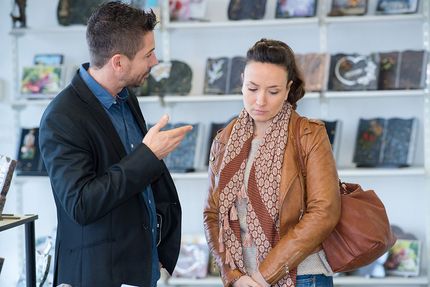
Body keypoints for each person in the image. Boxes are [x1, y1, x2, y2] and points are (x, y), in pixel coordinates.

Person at [38, 2, 192, 287]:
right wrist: (148, 155)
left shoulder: (125, 97)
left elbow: (139, 187)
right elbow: (82, 204)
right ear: (118, 62)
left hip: (140, 270)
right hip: (97, 276)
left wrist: (155, 248)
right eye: (149, 54)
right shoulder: (61, 117)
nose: (155, 61)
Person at [203, 39, 341, 287]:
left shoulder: (308, 134)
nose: (260, 101)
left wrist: (263, 276)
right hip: (243, 280)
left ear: (288, 89)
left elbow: (324, 212)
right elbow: (211, 214)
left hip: (303, 277)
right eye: (252, 88)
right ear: (242, 81)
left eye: (273, 91)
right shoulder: (224, 139)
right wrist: (233, 277)